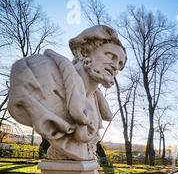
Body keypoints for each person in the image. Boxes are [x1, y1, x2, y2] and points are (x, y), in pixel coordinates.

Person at [8, 25, 127, 160]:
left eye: (120, 64)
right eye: (110, 56)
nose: (115, 66)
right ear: (83, 52)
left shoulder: (95, 108)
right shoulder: (40, 73)